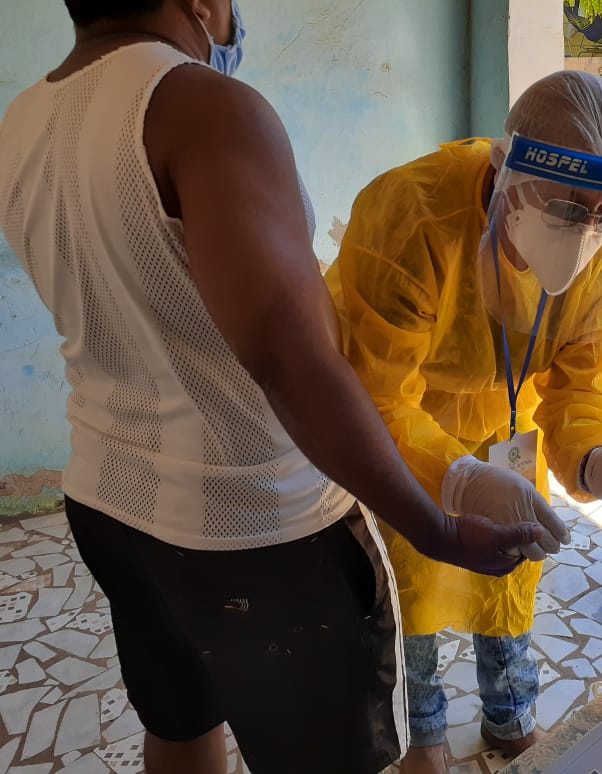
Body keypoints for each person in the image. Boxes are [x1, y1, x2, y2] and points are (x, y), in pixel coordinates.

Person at [0, 2, 549, 773]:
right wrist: (433, 526)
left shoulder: (23, 119)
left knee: (182, 726)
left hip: (109, 503)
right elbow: (292, 363)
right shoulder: (206, 110)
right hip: (255, 535)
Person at [324, 70, 602, 774]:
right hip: (407, 435)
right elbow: (374, 394)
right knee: (413, 583)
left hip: (502, 426)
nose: (590, 233)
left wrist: (601, 456)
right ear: (505, 173)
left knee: (510, 582)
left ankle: (510, 716)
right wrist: (453, 478)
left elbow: (579, 383)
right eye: (569, 210)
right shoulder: (413, 217)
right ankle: (422, 736)